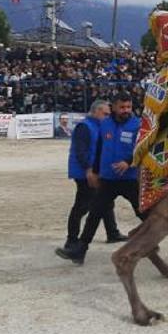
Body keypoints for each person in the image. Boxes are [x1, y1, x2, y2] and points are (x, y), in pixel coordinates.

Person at [55, 93, 144, 264]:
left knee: (142, 211)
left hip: (129, 178)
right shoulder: (105, 124)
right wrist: (94, 171)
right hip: (108, 179)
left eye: (128, 107)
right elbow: (99, 150)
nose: (126, 110)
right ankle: (80, 251)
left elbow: (142, 149)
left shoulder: (137, 125)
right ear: (114, 107)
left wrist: (128, 162)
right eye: (122, 107)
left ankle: (153, 238)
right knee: (94, 214)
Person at [59, 100, 126, 252]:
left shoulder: (98, 126)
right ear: (95, 112)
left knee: (105, 201)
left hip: (95, 171)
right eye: (105, 114)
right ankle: (71, 240)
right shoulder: (85, 126)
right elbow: (81, 151)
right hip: (85, 173)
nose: (108, 117)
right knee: (82, 206)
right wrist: (89, 170)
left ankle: (112, 232)